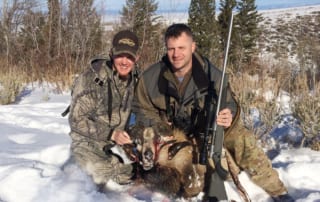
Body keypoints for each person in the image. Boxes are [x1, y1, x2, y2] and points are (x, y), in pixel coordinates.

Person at [132, 23, 294, 201]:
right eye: (171, 48)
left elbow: (229, 104)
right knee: (177, 178)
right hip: (171, 139)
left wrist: (228, 114)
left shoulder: (214, 76)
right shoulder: (150, 78)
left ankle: (278, 192)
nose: (176, 54)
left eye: (181, 48)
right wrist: (161, 128)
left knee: (242, 139)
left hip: (204, 136)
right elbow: (142, 109)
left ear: (193, 47)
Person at [66, 30, 140, 190]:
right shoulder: (92, 78)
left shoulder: (135, 81)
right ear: (111, 54)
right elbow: (76, 119)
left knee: (149, 165)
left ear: (137, 58)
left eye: (130, 57)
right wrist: (112, 134)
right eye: (120, 55)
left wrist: (133, 142)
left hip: (118, 143)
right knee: (94, 172)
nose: (125, 62)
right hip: (88, 141)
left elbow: (137, 114)